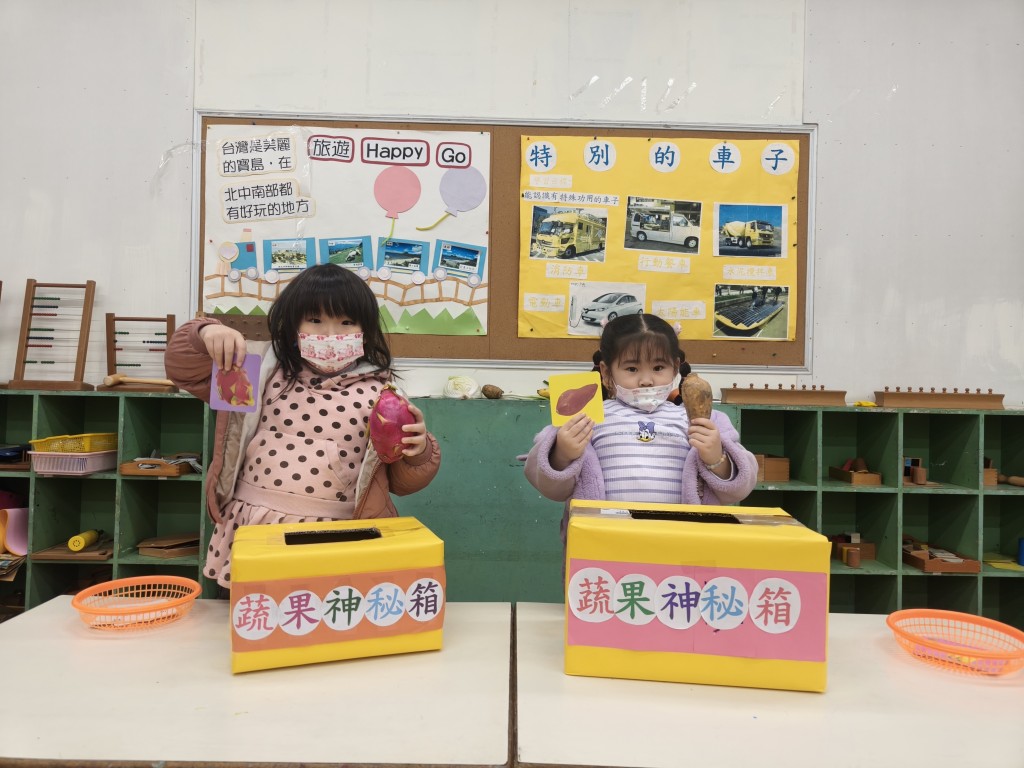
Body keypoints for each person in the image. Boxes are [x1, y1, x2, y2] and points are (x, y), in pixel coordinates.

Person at [166, 264, 441, 588]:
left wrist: (418, 453)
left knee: (326, 610)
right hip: (256, 528)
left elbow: (401, 482)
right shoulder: (257, 371)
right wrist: (204, 334)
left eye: (346, 322)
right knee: (258, 611)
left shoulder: (382, 394)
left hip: (340, 534)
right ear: (293, 325)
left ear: (365, 331)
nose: (330, 334)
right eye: (315, 320)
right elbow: (182, 370)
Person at [524, 313, 757, 542]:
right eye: (632, 369)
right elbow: (548, 485)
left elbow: (740, 488)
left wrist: (716, 459)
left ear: (676, 367)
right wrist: (562, 454)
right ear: (606, 372)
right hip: (606, 545)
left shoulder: (701, 420)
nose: (647, 380)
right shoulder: (587, 417)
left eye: (658, 367)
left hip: (680, 545)